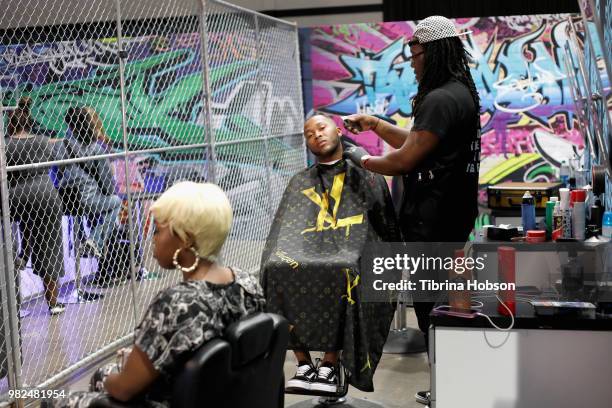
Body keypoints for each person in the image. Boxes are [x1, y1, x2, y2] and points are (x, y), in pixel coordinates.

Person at [343, 16, 481, 406]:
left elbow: (405, 161)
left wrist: (361, 159)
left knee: (431, 310)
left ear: (433, 51)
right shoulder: (457, 93)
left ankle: (449, 390)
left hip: (432, 221)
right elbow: (421, 143)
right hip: (451, 216)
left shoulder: (438, 99)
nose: (411, 61)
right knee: (439, 304)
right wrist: (374, 124)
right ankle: (449, 384)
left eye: (414, 53)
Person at [52, 181, 265, 407]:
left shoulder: (175, 303)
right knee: (104, 373)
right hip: (228, 397)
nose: (152, 238)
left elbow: (124, 389)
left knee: (61, 398)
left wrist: (110, 381)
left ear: (185, 239)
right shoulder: (247, 284)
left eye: (158, 230)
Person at [261, 114, 400, 394]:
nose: (316, 135)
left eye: (321, 128)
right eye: (309, 134)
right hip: (307, 249)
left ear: (338, 130)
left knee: (342, 269)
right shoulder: (300, 181)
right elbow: (284, 228)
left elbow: (383, 230)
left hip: (351, 252)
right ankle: (303, 363)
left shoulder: (367, 175)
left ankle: (329, 361)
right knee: (274, 267)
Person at [5, 97, 66, 316]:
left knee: (11, 240)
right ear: (29, 122)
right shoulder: (42, 141)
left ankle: (13, 304)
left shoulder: (5, 145)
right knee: (50, 246)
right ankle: (54, 303)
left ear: (10, 124)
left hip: (14, 198)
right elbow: (56, 148)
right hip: (45, 195)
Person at [55, 106, 121, 264]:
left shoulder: (61, 145)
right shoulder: (96, 148)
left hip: (65, 200)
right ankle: (95, 241)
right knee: (116, 202)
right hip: (88, 201)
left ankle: (86, 241)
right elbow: (107, 186)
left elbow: (58, 174)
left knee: (85, 212)